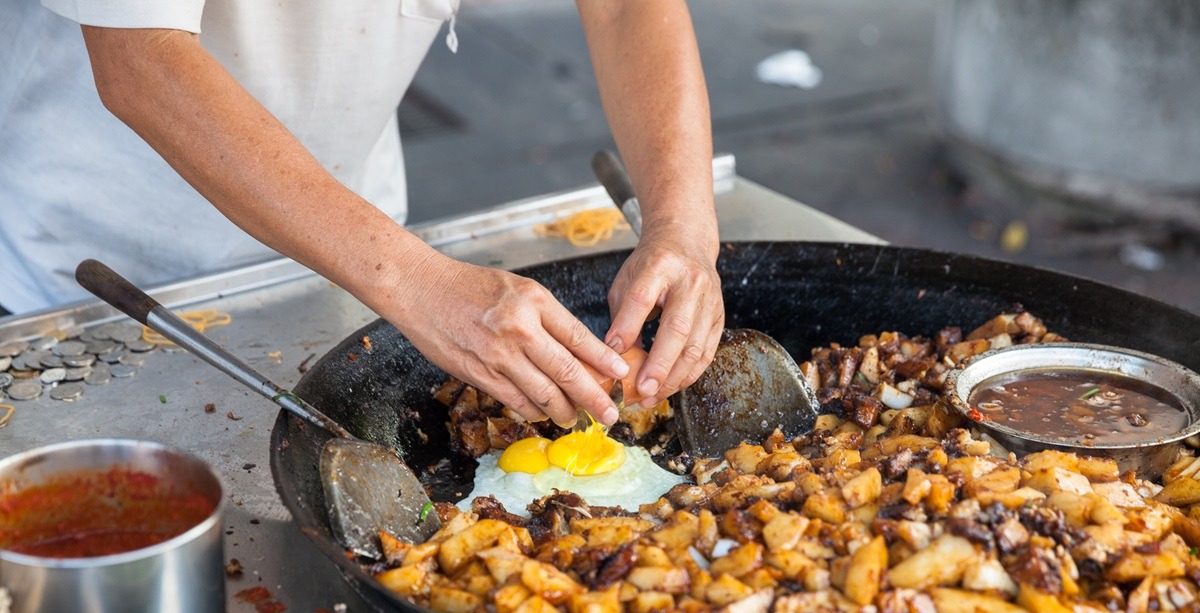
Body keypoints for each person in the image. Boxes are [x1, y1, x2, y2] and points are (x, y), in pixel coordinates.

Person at [0, 1, 723, 429]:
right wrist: (414, 281)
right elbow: (140, 59)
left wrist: (683, 224)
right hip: (93, 264)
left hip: (351, 247)